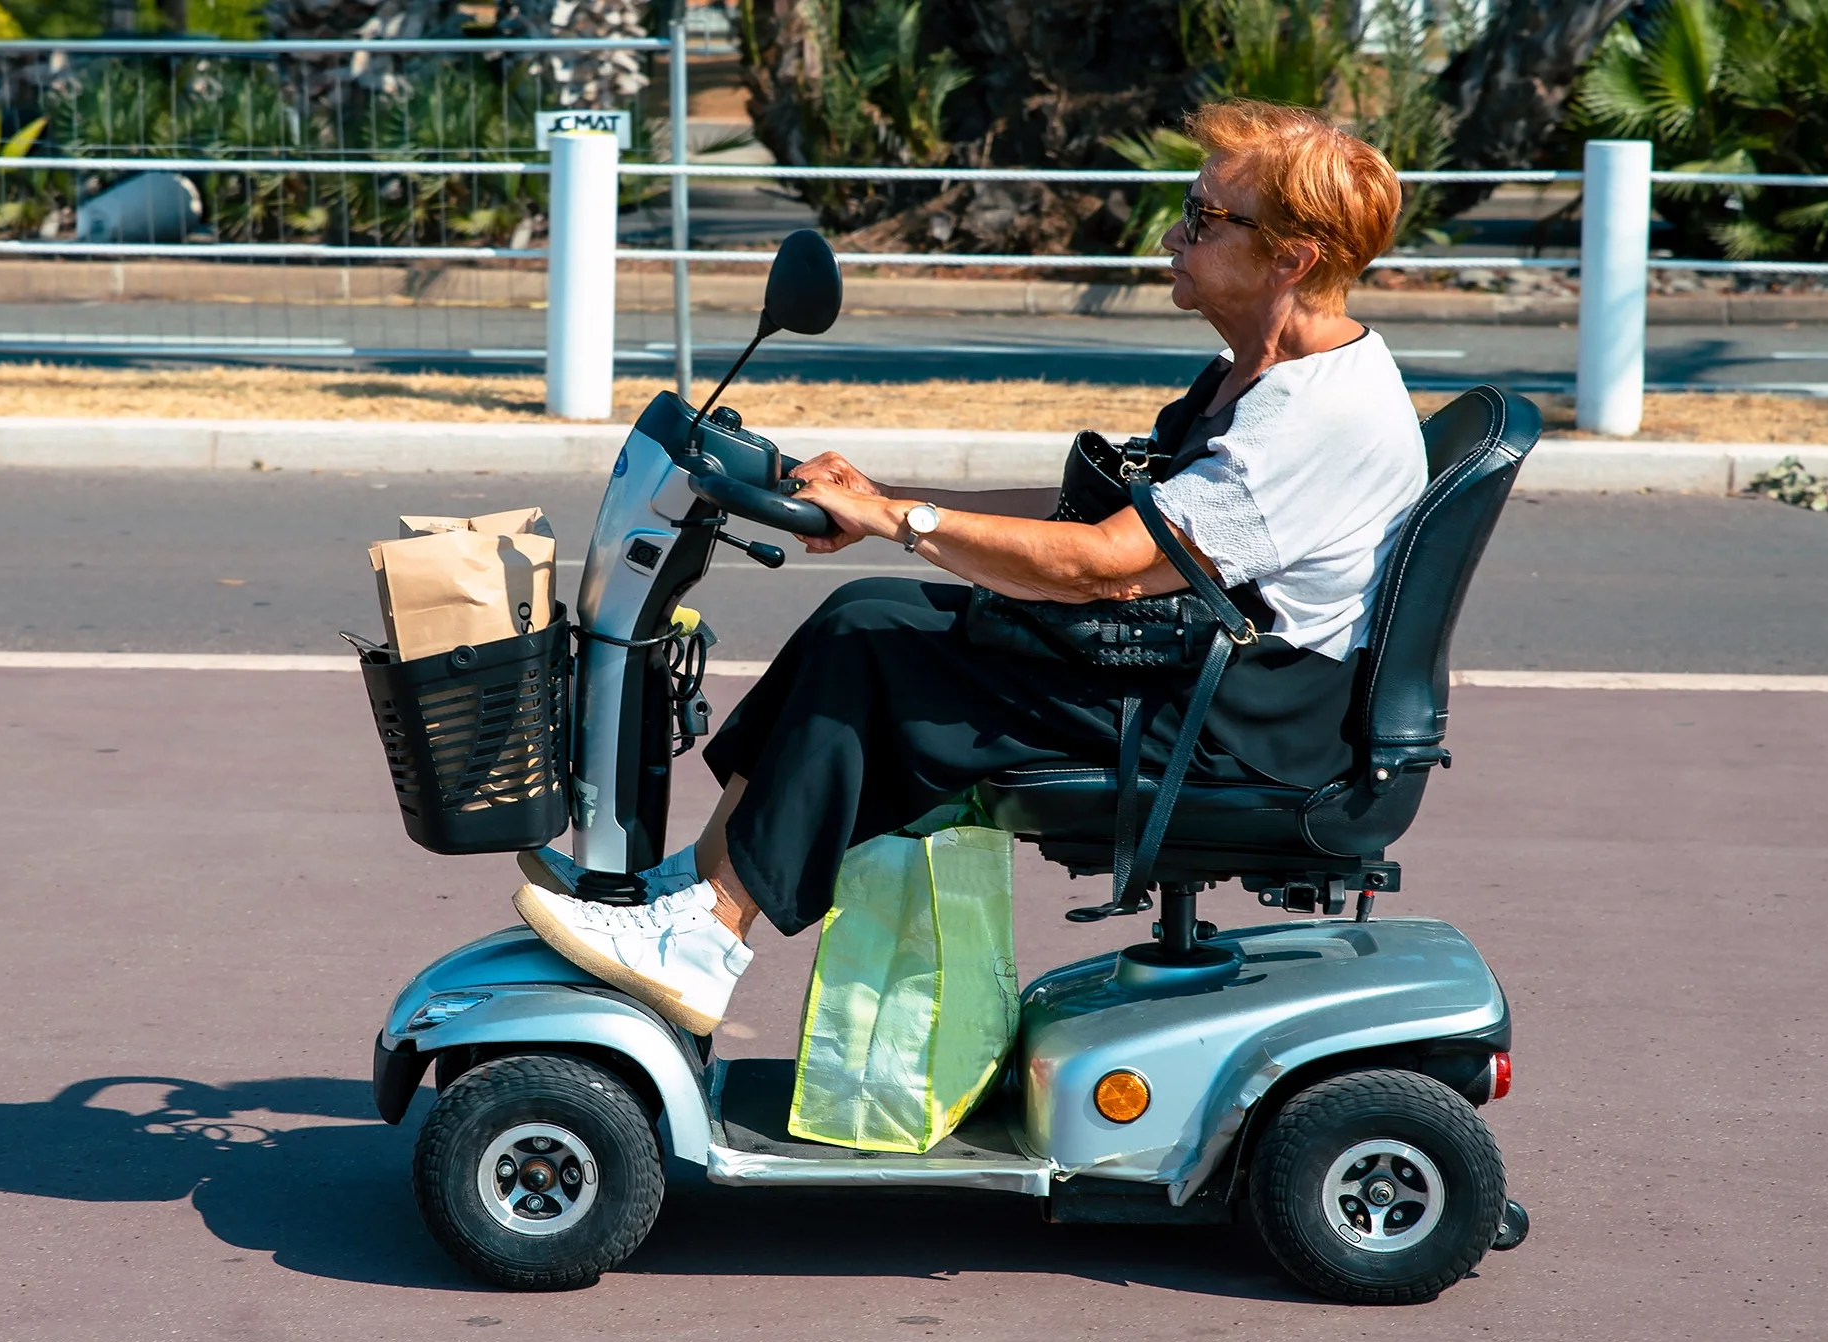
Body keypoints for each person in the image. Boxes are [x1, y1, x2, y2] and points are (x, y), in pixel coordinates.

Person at [514, 98, 1430, 1037]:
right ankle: (695, 891)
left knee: (875, 643)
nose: (1171, 236)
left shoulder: (1310, 416)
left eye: (1202, 218)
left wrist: (902, 522)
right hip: (1214, 679)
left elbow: (1108, 565)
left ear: (1291, 258)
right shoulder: (1260, 372)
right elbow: (1107, 517)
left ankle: (706, 937)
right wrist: (886, 498)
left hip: (1247, 725)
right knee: (860, 619)